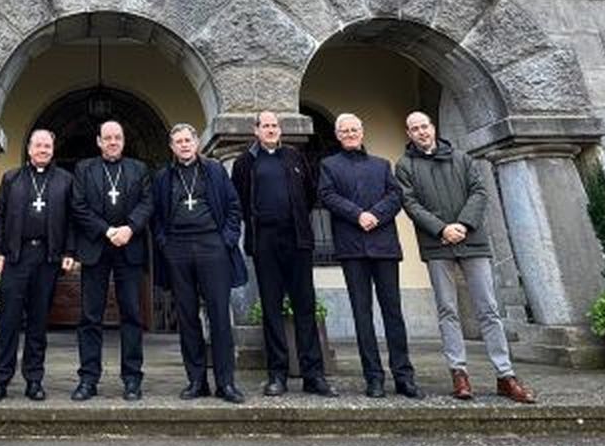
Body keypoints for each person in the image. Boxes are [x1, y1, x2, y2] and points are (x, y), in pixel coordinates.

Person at [395, 110, 536, 404]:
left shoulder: (462, 158)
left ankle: (505, 375)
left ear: (432, 128)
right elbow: (410, 203)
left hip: (472, 241)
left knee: (488, 309)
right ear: (408, 134)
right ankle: (459, 373)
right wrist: (441, 229)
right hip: (437, 245)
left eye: (424, 126)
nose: (421, 132)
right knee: (447, 310)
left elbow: (479, 192)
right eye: (415, 129)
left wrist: (463, 225)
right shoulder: (405, 165)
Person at [231, 110, 336, 398]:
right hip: (265, 242)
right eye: (265, 125)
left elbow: (311, 192)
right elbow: (239, 199)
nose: (271, 129)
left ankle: (313, 375)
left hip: (297, 240)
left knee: (305, 307)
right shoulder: (244, 163)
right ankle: (276, 374)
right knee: (272, 310)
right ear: (256, 130)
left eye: (275, 125)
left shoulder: (295, 157)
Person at [317, 113, 421, 399]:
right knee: (362, 315)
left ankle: (404, 376)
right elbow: (327, 196)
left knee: (393, 314)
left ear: (362, 132)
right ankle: (373, 377)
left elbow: (395, 195)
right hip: (352, 249)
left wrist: (375, 214)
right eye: (344, 130)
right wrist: (357, 214)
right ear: (338, 135)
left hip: (384, 246)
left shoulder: (381, 165)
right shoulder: (328, 165)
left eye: (354, 129)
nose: (350, 134)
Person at [151, 122, 247, 404]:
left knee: (219, 317)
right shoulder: (162, 177)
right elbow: (156, 217)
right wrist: (164, 244)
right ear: (172, 147)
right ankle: (196, 381)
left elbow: (233, 206)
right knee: (187, 318)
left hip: (212, 247)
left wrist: (226, 240)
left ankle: (226, 383)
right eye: (178, 141)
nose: (183, 145)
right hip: (178, 249)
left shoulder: (214, 170)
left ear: (196, 143)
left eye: (187, 140)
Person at [0, 129, 76, 403]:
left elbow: (72, 220)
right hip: (16, 256)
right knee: (9, 321)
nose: (43, 150)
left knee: (38, 322)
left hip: (47, 258)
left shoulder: (65, 180)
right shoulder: (12, 178)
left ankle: (34, 380)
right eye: (39, 145)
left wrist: (69, 250)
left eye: (48, 145)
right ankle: (0, 380)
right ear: (30, 148)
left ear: (53, 149)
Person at [69, 119, 152, 401]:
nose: (113, 141)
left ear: (123, 140)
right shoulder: (84, 169)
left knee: (131, 315)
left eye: (117, 137)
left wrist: (129, 228)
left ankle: (132, 379)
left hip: (129, 248)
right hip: (96, 248)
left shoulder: (138, 169)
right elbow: (78, 206)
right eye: (108, 137)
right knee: (90, 316)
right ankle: (88, 379)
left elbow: (147, 202)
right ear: (99, 141)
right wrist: (107, 231)